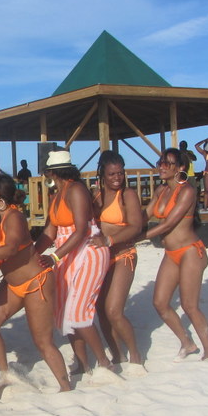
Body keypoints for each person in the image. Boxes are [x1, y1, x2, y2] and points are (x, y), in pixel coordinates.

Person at [0, 173, 70, 392]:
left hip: (35, 282)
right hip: (12, 284)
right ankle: (5, 373)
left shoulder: (15, 217)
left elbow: (11, 248)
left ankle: (65, 386)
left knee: (43, 341)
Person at [33, 149, 113, 377]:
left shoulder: (76, 189)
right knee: (64, 311)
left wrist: (54, 257)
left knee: (78, 312)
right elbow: (49, 232)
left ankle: (104, 362)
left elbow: (81, 231)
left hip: (88, 251)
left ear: (50, 172)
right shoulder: (56, 194)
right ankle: (83, 364)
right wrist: (31, 255)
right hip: (67, 252)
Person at [142, 148, 208, 362]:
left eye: (168, 163)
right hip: (171, 252)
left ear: (181, 168)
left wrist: (137, 237)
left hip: (191, 252)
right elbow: (145, 215)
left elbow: (169, 223)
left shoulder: (187, 191)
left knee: (189, 305)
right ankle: (187, 343)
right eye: (160, 162)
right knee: (160, 302)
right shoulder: (161, 190)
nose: (162, 167)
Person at [90, 151, 144, 368]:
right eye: (112, 174)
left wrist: (110, 239)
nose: (117, 178)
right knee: (101, 310)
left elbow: (136, 226)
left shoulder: (128, 195)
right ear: (103, 174)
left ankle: (135, 356)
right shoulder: (96, 196)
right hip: (103, 258)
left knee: (114, 310)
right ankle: (116, 354)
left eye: (120, 173)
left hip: (123, 255)